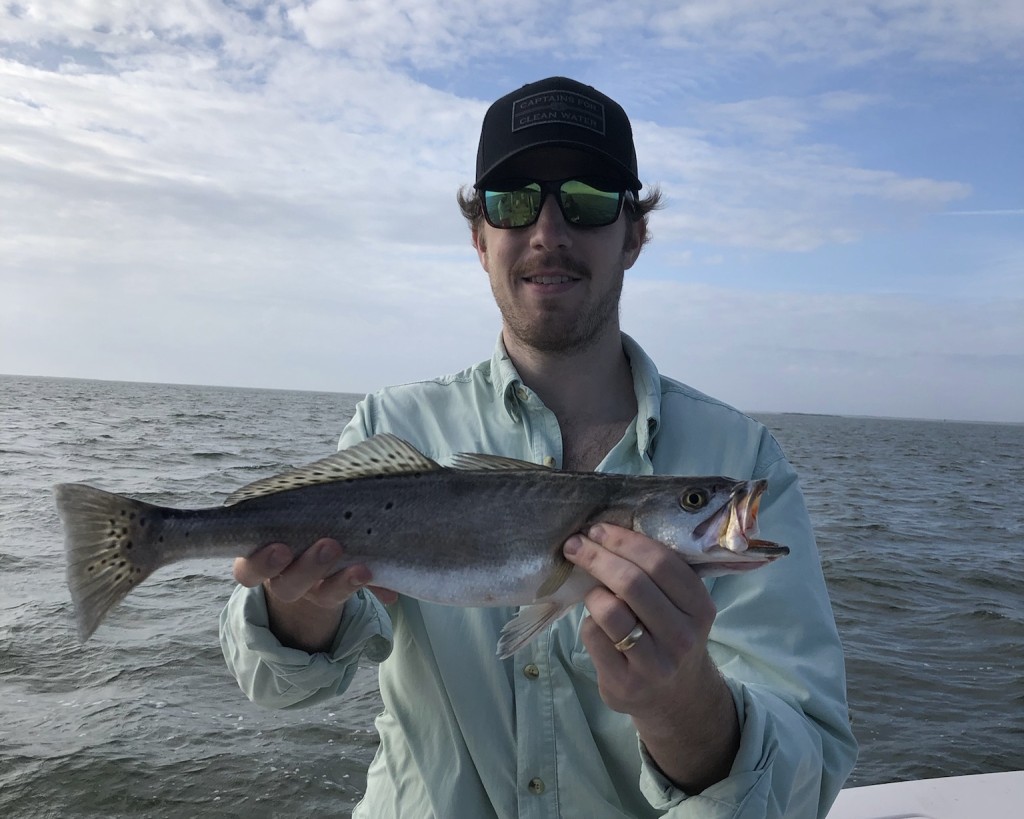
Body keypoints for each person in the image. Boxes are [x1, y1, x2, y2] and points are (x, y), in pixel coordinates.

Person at [220, 76, 858, 818]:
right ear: (479, 237)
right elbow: (280, 687)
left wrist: (683, 705)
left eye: (585, 198)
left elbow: (808, 777)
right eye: (513, 200)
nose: (547, 232)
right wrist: (299, 610)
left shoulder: (745, 460)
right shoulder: (390, 424)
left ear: (634, 235)